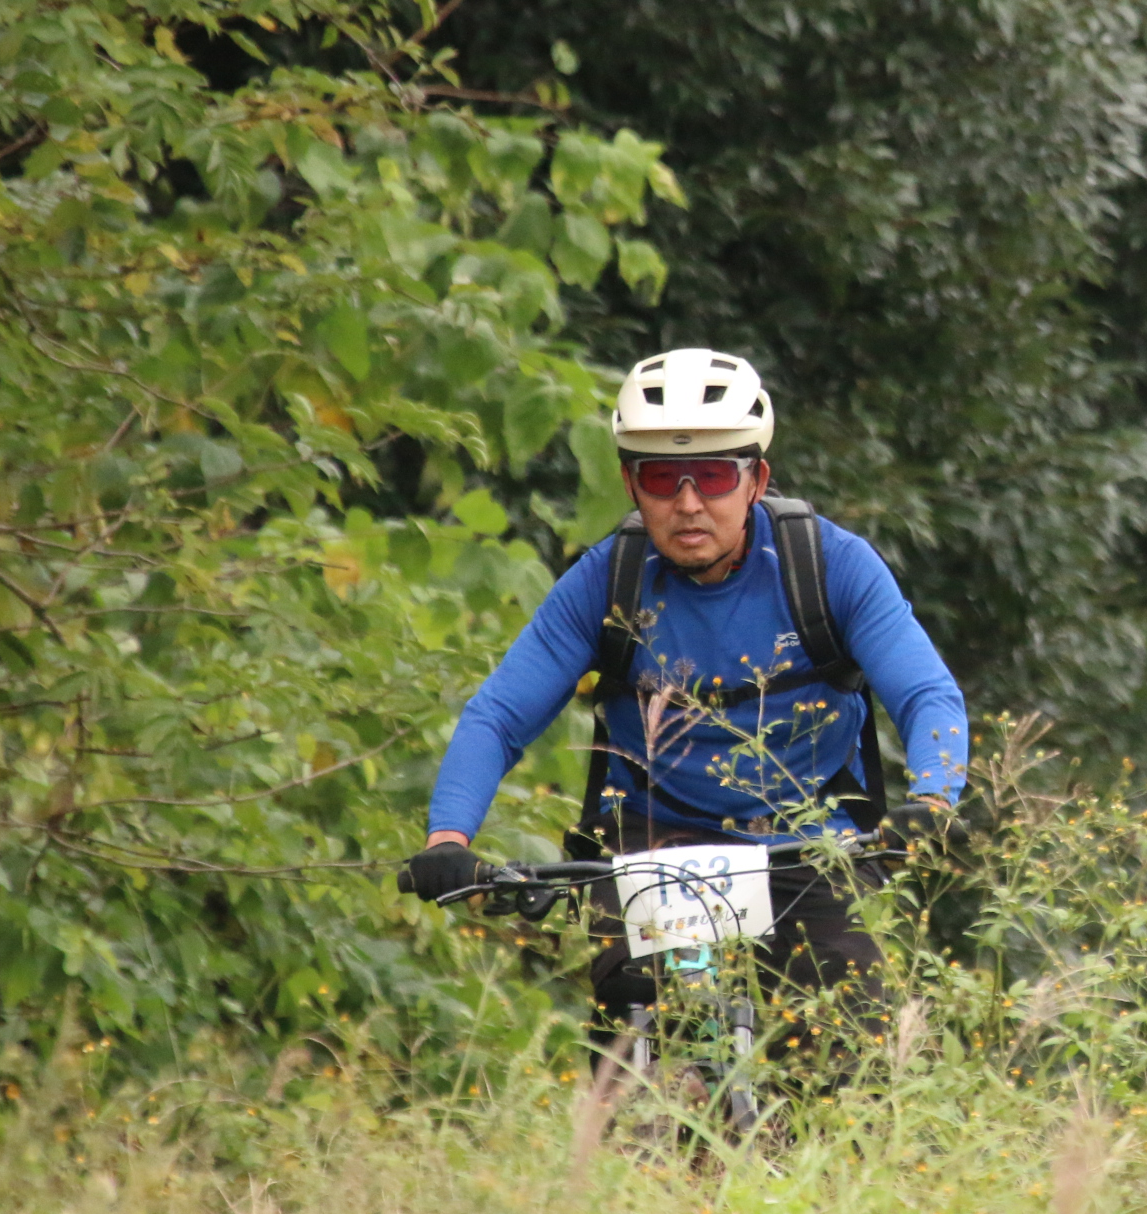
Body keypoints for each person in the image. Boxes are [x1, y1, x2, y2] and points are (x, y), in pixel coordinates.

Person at [402, 348, 969, 1031]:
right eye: (663, 477)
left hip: (807, 840)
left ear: (756, 480)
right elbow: (498, 716)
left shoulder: (831, 568)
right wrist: (447, 839)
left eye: (714, 475)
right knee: (635, 1019)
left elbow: (926, 694)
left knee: (846, 1036)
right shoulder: (606, 583)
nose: (689, 503)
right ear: (630, 483)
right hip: (653, 845)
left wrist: (934, 800)